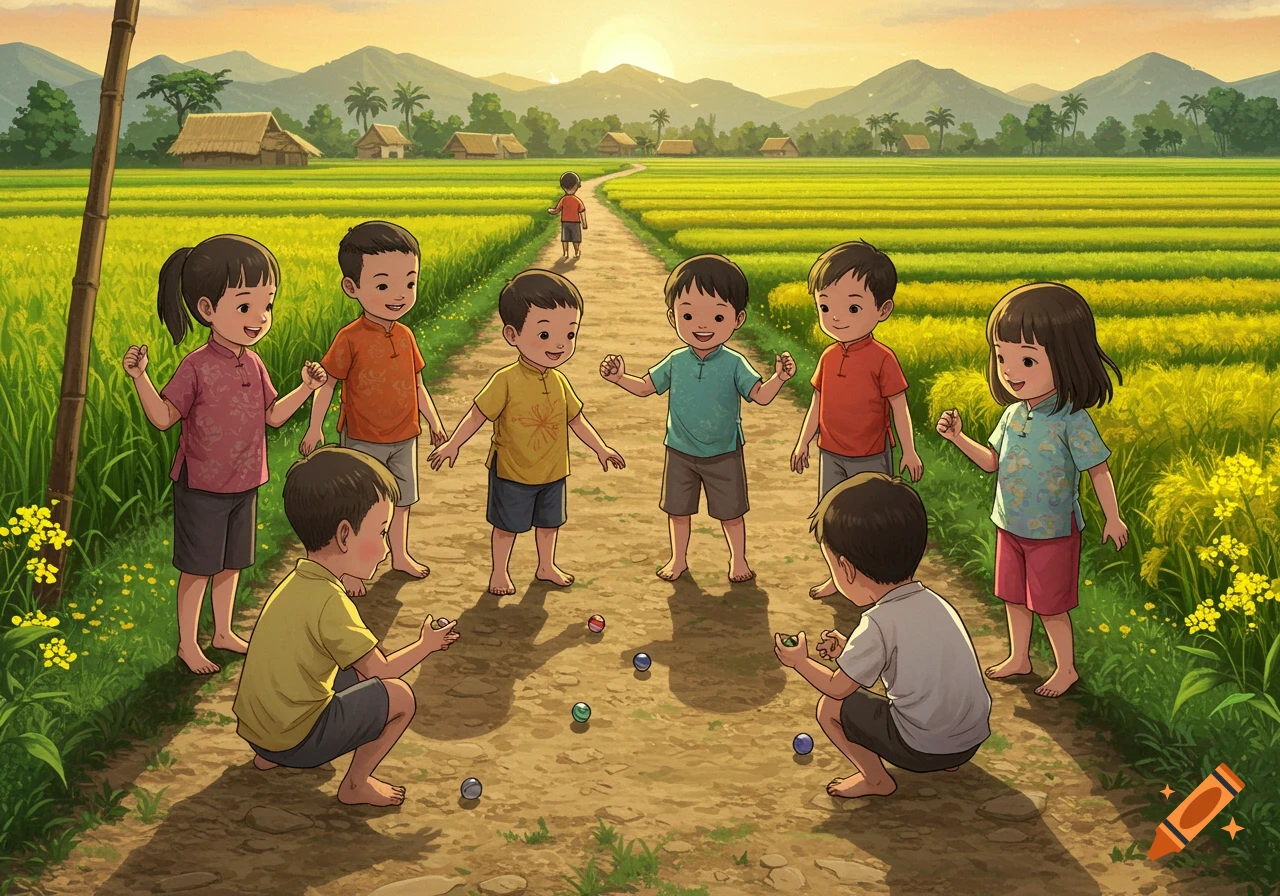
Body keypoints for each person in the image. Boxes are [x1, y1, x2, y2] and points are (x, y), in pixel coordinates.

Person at [122, 234, 326, 675]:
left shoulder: (254, 363)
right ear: (207, 310)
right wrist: (139, 378)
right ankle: (188, 643)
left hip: (246, 480)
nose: (260, 318)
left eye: (267, 305)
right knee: (198, 567)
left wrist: (306, 390)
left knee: (232, 562)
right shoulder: (195, 365)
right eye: (245, 306)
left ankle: (223, 632)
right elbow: (163, 418)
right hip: (202, 485)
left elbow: (272, 416)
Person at [233, 446, 459, 807]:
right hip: (297, 742)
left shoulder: (294, 585)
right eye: (381, 532)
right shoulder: (330, 600)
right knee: (399, 696)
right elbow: (381, 670)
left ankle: (269, 754)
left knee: (344, 671)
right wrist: (426, 644)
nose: (385, 549)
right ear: (343, 536)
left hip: (259, 734)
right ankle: (356, 784)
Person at [936, 282, 1128, 699]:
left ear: (1066, 359)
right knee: (1013, 596)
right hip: (1009, 523)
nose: (1010, 370)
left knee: (1051, 604)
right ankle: (1019, 657)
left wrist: (1113, 517)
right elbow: (992, 461)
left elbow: (1097, 470)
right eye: (1002, 357)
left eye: (1026, 359)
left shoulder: (1071, 419)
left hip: (1053, 531)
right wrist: (957, 438)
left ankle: (1066, 668)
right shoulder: (1011, 414)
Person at [774, 473, 991, 799]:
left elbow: (838, 686)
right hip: (970, 741)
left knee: (829, 707)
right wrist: (848, 651)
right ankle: (949, 758)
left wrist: (800, 662)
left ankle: (876, 779)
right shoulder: (935, 603)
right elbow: (915, 658)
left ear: (846, 569)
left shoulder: (877, 622)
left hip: (921, 750)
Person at [600, 254, 795, 583]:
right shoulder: (676, 361)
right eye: (688, 314)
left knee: (731, 513)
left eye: (717, 316)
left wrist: (779, 379)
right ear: (672, 316)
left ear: (738, 318)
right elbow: (647, 387)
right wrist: (620, 378)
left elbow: (760, 395)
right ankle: (678, 560)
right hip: (679, 450)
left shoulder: (735, 363)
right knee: (678, 511)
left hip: (724, 452)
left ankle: (738, 560)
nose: (702, 326)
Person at [429, 269, 624, 595]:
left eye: (570, 335)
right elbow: (478, 414)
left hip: (553, 470)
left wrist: (600, 448)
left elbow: (575, 420)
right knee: (507, 526)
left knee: (550, 523)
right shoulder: (505, 379)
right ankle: (500, 572)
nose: (560, 345)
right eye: (545, 335)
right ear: (512, 334)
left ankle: (546, 565)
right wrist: (453, 444)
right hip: (512, 471)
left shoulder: (560, 381)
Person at [302, 221, 447, 598]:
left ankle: (399, 554)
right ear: (352, 288)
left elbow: (417, 384)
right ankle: (351, 571)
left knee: (402, 499)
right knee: (361, 507)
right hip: (363, 438)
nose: (399, 295)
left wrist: (433, 421)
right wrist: (315, 428)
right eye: (383, 286)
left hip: (405, 435)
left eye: (410, 284)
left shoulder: (405, 335)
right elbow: (329, 383)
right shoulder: (349, 338)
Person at [790, 240, 923, 599]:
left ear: (883, 310)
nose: (835, 317)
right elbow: (818, 402)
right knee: (828, 519)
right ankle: (838, 579)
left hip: (870, 455)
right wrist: (804, 442)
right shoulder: (829, 357)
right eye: (825, 306)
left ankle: (879, 583)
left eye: (852, 307)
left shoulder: (883, 359)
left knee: (872, 524)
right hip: (831, 453)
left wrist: (909, 452)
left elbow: (899, 408)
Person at [548, 171, 587, 260]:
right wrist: (584, 223)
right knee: (569, 239)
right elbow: (582, 211)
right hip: (571, 223)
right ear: (576, 186)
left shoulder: (566, 200)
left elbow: (557, 210)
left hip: (569, 223)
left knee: (571, 239)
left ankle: (573, 252)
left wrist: (552, 211)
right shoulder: (575, 200)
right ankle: (568, 252)